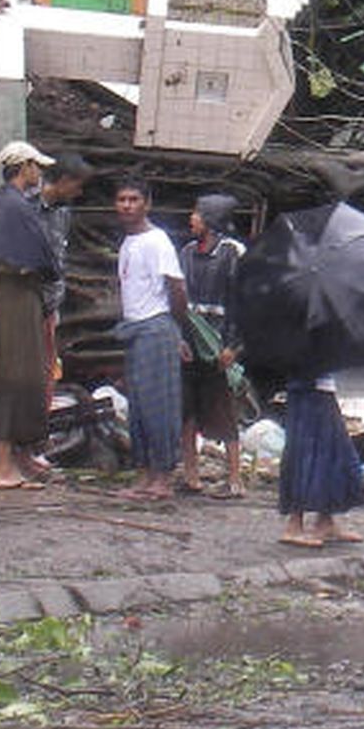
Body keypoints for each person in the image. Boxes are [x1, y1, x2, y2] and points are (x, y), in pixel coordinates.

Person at [0, 141, 62, 490]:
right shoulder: (17, 207)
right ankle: (5, 468)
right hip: (19, 297)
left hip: (3, 296)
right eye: (35, 166)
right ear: (23, 166)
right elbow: (35, 259)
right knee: (19, 375)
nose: (39, 173)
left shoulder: (1, 203)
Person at [115, 177, 188, 501]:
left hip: (155, 327)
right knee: (139, 407)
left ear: (147, 203)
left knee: (160, 406)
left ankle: (164, 477)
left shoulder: (158, 241)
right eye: (122, 200)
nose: (127, 205)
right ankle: (144, 475)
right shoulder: (128, 243)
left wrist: (175, 329)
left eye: (134, 199)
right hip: (134, 328)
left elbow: (177, 288)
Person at [27, 152, 93, 474]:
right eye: (77, 186)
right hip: (26, 306)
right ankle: (20, 447)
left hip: (52, 307)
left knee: (47, 377)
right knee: (24, 378)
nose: (78, 194)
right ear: (64, 181)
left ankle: (37, 446)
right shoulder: (23, 207)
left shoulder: (62, 214)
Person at [178, 193, 247, 498]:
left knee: (225, 410)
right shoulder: (187, 253)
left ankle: (235, 478)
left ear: (211, 219)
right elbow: (177, 300)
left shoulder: (234, 253)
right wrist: (179, 337)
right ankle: (190, 473)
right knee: (187, 410)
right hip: (190, 342)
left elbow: (247, 303)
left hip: (219, 343)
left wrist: (235, 346)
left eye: (197, 213)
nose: (191, 219)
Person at [278, 374, 364, 547]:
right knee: (305, 455)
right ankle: (294, 525)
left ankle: (325, 520)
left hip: (321, 388)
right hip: (307, 388)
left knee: (332, 454)